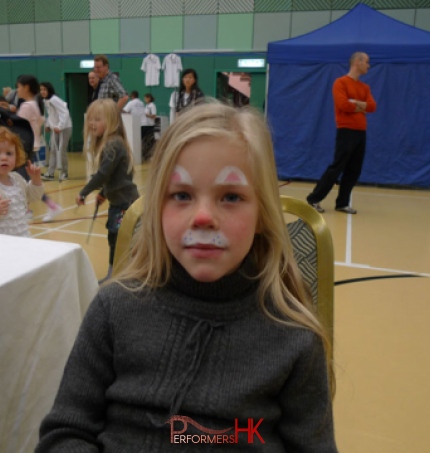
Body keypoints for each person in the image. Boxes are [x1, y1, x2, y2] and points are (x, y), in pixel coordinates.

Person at [36, 102, 337, 451]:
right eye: (181, 195)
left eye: (231, 197)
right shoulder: (113, 309)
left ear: (263, 216)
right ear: (158, 211)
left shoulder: (295, 338)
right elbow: (64, 434)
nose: (203, 217)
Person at [76, 99, 139, 283]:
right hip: (118, 204)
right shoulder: (112, 143)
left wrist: (84, 192)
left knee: (119, 239)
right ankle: (115, 273)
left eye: (97, 119)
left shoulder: (113, 144)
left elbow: (103, 173)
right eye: (90, 119)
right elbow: (114, 176)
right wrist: (104, 193)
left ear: (111, 121)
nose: (92, 124)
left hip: (125, 205)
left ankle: (123, 274)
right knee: (114, 238)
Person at [306, 51, 377, 214]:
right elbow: (343, 105)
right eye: (366, 62)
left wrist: (356, 103)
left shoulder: (364, 87)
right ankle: (313, 199)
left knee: (354, 169)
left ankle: (342, 203)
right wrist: (362, 106)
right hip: (346, 130)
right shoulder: (340, 83)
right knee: (338, 166)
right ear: (357, 62)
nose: (368, 65)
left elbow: (372, 106)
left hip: (361, 132)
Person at [16, 74, 63, 222]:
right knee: (25, 178)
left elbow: (17, 128)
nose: (17, 89)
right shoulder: (35, 104)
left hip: (24, 147)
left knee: (21, 179)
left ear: (26, 87)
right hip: (32, 145)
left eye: (18, 86)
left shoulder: (26, 106)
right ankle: (29, 209)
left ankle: (46, 207)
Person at [0, 127, 44, 237]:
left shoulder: (17, 179)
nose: (4, 158)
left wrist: (35, 180)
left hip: (23, 239)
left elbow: (33, 197)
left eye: (9, 153)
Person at [40, 82, 73, 181]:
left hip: (65, 128)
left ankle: (64, 173)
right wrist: (48, 125)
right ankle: (50, 173)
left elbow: (65, 112)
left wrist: (60, 126)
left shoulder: (54, 99)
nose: (42, 92)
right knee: (53, 150)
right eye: (41, 90)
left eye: (44, 89)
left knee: (61, 150)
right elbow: (51, 115)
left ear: (49, 90)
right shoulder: (46, 101)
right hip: (55, 129)